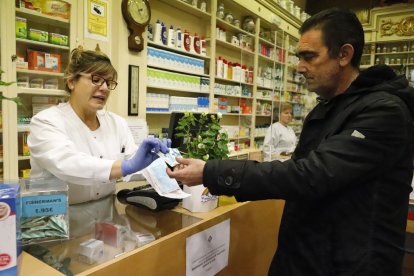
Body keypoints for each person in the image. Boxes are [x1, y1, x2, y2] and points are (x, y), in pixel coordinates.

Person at [167, 8, 414, 275]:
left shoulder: (384, 112)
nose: (299, 67)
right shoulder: (326, 108)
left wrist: (210, 171)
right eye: (299, 57)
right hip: (304, 256)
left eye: (310, 56)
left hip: (350, 265)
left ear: (344, 54)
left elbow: (310, 175)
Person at [28, 47, 169, 205]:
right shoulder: (46, 121)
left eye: (109, 82)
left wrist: (165, 163)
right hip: (56, 220)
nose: (104, 88)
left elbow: (134, 162)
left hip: (106, 218)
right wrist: (125, 166)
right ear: (71, 81)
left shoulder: (117, 123)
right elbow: (67, 164)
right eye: (96, 79)